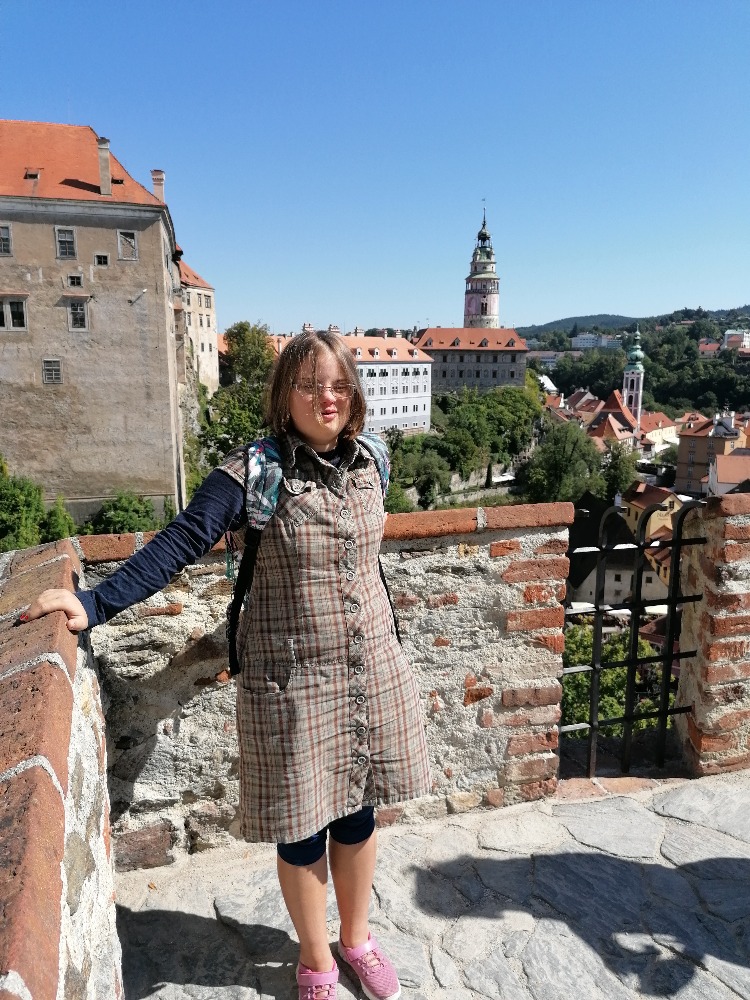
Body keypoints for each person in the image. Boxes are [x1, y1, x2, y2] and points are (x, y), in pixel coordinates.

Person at [26, 329, 432, 1000]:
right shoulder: (255, 472)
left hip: (372, 668)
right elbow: (180, 541)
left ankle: (358, 940)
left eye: (338, 385)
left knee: (360, 813)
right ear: (285, 395)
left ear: (354, 394)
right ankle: (316, 960)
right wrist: (94, 604)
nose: (326, 398)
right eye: (309, 385)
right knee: (302, 827)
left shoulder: (374, 459)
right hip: (291, 680)